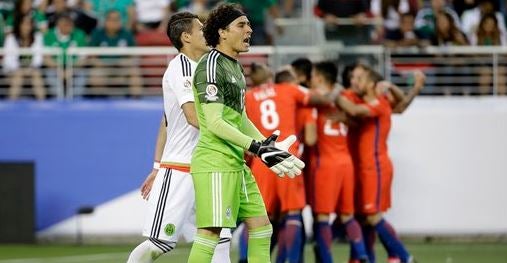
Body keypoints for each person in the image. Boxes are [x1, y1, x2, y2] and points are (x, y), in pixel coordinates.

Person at [187, 4, 304, 262]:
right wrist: (257, 148)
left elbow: (241, 118)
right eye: (241, 25)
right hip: (215, 162)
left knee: (262, 227)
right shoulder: (211, 66)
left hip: (237, 164)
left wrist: (267, 147)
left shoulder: (235, 68)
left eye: (249, 24)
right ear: (222, 32)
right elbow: (215, 123)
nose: (249, 29)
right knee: (210, 232)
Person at [126, 12, 231, 263]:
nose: (207, 32)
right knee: (159, 244)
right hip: (180, 170)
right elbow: (193, 118)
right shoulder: (180, 68)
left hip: (208, 168)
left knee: (219, 238)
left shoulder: (207, 68)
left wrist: (154, 166)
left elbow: (165, 122)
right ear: (186, 36)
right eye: (201, 29)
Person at [336, 66, 426, 263]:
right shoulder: (359, 97)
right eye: (352, 77)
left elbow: (353, 110)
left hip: (374, 167)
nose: (353, 81)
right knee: (362, 217)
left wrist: (334, 95)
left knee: (372, 215)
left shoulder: (378, 103)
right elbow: (401, 105)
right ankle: (368, 258)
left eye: (359, 78)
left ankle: (403, 256)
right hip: (359, 168)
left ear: (371, 84)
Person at [310, 61, 368, 263]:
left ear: (318, 77)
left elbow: (310, 138)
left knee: (323, 218)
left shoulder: (316, 100)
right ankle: (362, 255)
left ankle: (326, 260)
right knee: (347, 215)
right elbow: (355, 120)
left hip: (326, 164)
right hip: (346, 163)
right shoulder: (345, 98)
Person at [88, 10, 142, 97]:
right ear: (106, 21)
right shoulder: (97, 34)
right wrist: (103, 64)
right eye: (111, 20)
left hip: (122, 68)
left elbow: (134, 55)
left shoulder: (127, 34)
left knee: (135, 74)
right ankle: (101, 104)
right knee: (95, 76)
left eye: (117, 20)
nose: (114, 22)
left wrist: (125, 63)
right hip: (103, 68)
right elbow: (91, 56)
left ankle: (135, 104)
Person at [2, 14, 45, 100]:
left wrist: (29, 69)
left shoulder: (38, 37)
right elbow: (8, 60)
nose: (26, 27)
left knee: (36, 75)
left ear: (32, 26)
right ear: (19, 26)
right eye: (24, 24)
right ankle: (12, 103)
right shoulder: (11, 38)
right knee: (19, 74)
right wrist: (20, 69)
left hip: (32, 70)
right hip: (13, 71)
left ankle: (42, 105)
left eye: (29, 24)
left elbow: (38, 59)